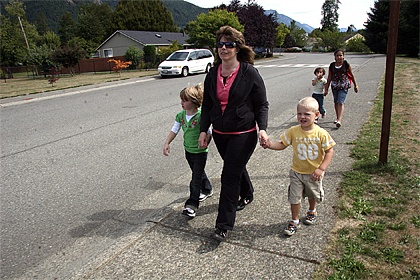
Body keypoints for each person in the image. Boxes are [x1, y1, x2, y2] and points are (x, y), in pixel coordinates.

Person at [198, 26, 269, 241]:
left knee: (229, 175)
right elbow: (208, 104)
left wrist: (262, 129)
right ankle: (247, 193)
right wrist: (204, 130)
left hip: (244, 132)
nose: (224, 48)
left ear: (238, 48)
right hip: (220, 132)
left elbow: (262, 104)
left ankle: (223, 226)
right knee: (234, 166)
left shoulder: (249, 72)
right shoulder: (213, 73)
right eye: (220, 44)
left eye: (229, 44)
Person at [261, 97, 335, 236]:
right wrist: (269, 145)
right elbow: (282, 144)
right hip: (296, 172)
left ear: (316, 115)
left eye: (307, 114)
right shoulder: (293, 131)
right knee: (294, 197)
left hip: (314, 173)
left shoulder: (321, 134)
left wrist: (321, 168)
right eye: (299, 113)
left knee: (312, 195)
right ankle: (294, 220)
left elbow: (330, 151)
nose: (302, 117)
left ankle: (312, 211)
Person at [163, 84, 213, 218]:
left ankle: (191, 205)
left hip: (200, 152)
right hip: (188, 150)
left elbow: (209, 132)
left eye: (185, 100)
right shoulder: (180, 116)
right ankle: (207, 189)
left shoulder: (202, 115)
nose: (182, 103)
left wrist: (205, 142)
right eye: (181, 100)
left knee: (195, 178)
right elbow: (175, 129)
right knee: (197, 172)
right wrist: (167, 142)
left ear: (194, 101)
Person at [324, 49, 358, 128]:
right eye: (337, 55)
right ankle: (337, 117)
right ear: (334, 57)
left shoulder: (346, 64)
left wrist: (356, 85)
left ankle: (339, 120)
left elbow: (351, 75)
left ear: (343, 56)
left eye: (340, 55)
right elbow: (329, 78)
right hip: (335, 86)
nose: (339, 57)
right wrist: (326, 89)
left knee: (340, 102)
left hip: (344, 86)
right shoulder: (332, 65)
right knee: (336, 102)